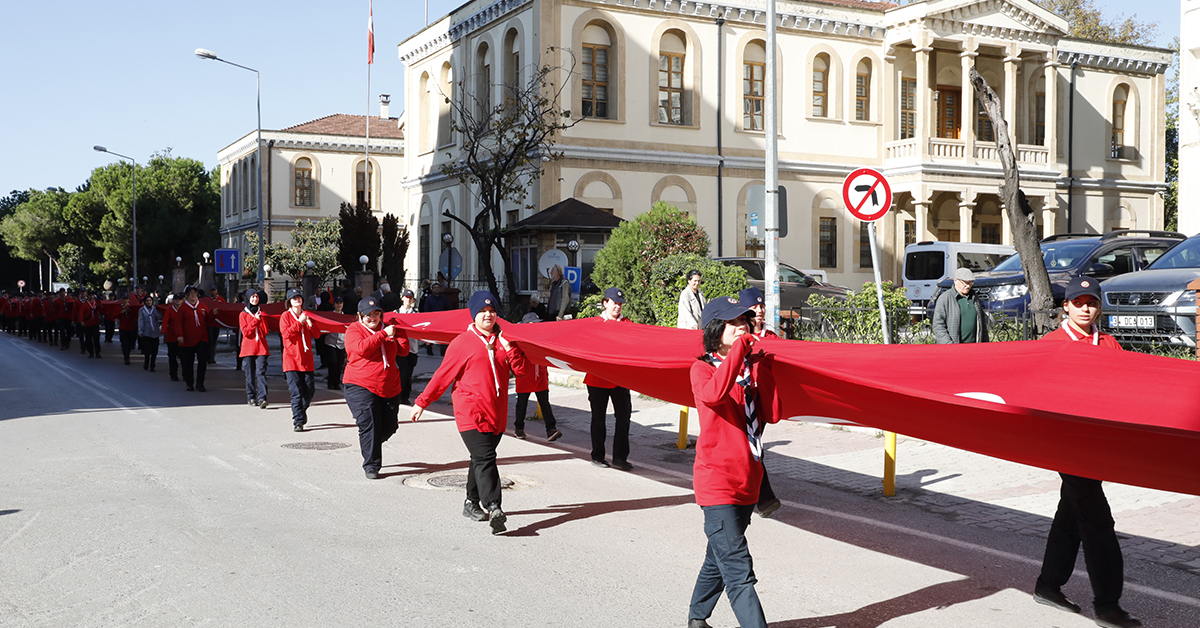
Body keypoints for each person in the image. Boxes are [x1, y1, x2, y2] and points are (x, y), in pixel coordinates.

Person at [1032, 277, 1141, 628]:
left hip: (1098, 445)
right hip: (1067, 446)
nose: (1085, 308)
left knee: (1071, 513)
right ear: (1066, 306)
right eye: (1078, 302)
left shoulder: (1108, 343)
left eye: (1091, 302)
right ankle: (1108, 605)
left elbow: (1125, 388)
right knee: (1097, 522)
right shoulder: (1052, 344)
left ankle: (1048, 586)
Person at [687, 296, 779, 628]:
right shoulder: (701, 369)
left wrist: (763, 366)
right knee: (739, 571)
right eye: (733, 322)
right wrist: (741, 351)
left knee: (719, 558)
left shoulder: (746, 368)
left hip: (748, 482)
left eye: (744, 319)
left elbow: (773, 413)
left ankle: (697, 618)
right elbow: (713, 395)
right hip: (717, 484)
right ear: (714, 329)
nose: (742, 325)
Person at [413, 290, 531, 535]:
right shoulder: (462, 343)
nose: (488, 315)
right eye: (483, 312)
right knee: (486, 458)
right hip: (470, 412)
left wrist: (510, 349)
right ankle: (494, 507)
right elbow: (442, 376)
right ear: (474, 315)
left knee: (480, 458)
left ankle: (470, 502)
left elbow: (522, 372)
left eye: (492, 311)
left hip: (496, 412)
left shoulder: (503, 341)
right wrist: (422, 402)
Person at [343, 295, 408, 479]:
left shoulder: (388, 329)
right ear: (359, 316)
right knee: (369, 423)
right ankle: (371, 465)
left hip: (389, 386)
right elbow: (361, 348)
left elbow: (403, 351)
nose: (372, 318)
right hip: (360, 384)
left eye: (376, 314)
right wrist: (383, 334)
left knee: (389, 426)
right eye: (368, 315)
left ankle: (369, 442)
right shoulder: (354, 330)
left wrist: (400, 333)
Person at [736, 287, 781, 518]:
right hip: (738, 399)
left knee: (753, 447)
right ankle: (760, 498)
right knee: (747, 448)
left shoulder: (772, 337)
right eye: (755, 307)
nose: (760, 311)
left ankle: (762, 499)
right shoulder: (737, 335)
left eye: (762, 306)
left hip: (760, 402)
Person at [585, 287, 634, 471]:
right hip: (597, 379)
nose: (618, 307)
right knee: (598, 418)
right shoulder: (594, 323)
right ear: (605, 303)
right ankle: (597, 455)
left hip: (620, 379)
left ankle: (620, 458)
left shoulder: (627, 323)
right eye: (615, 303)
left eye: (620, 304)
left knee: (624, 417)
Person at [280, 287, 320, 432]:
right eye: (294, 298)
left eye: (299, 297)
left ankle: (302, 410)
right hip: (291, 360)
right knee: (296, 391)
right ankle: (298, 421)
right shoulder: (285, 316)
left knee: (309, 390)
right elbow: (286, 335)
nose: (297, 299)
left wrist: (310, 324)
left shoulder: (307, 315)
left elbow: (317, 335)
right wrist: (299, 322)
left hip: (306, 359)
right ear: (289, 302)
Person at [933, 268, 989, 345]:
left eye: (970, 283)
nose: (968, 286)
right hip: (953, 349)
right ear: (955, 281)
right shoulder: (945, 298)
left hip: (974, 348)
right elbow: (938, 325)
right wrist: (948, 344)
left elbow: (982, 324)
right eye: (965, 283)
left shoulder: (974, 297)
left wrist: (985, 344)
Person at [513, 359, 562, 442]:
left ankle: (551, 429)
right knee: (522, 404)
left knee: (545, 404)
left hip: (540, 373)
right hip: (525, 373)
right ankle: (519, 428)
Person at [175, 285, 212, 392]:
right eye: (190, 293)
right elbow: (178, 323)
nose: (193, 295)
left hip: (202, 338)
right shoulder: (183, 308)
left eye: (195, 293)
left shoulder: (203, 306)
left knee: (202, 361)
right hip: (187, 339)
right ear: (186, 295)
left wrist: (214, 315)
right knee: (188, 362)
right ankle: (189, 383)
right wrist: (180, 335)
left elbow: (208, 319)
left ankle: (200, 383)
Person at [239, 289, 270, 408]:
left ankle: (263, 398)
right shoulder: (243, 314)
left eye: (256, 297)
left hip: (261, 347)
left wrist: (261, 320)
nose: (255, 299)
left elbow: (265, 331)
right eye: (252, 297)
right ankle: (251, 396)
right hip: (248, 348)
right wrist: (254, 321)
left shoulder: (262, 312)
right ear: (247, 298)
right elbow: (246, 332)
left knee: (261, 372)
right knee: (250, 374)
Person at [395, 290, 420, 404]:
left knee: (409, 373)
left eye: (410, 298)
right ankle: (399, 395)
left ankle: (405, 396)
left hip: (412, 348)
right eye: (406, 297)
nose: (408, 300)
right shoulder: (396, 313)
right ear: (402, 298)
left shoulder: (416, 314)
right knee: (403, 372)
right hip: (400, 348)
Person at [324, 297, 347, 390]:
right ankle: (330, 382)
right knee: (332, 363)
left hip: (341, 343)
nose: (339, 305)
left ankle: (337, 382)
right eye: (337, 303)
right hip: (331, 342)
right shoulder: (331, 315)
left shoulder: (345, 317)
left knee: (339, 364)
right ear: (334, 304)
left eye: (341, 303)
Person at [422, 282, 450, 356]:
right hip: (432, 320)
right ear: (432, 289)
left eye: (438, 288)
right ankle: (429, 348)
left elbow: (447, 309)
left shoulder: (444, 298)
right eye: (435, 288)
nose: (436, 289)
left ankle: (443, 350)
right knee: (430, 335)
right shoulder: (429, 299)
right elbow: (426, 309)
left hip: (442, 320)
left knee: (443, 335)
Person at [137, 294, 161, 372]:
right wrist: (140, 331)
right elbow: (140, 320)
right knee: (147, 350)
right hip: (147, 332)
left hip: (155, 332)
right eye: (147, 301)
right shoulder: (142, 310)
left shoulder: (155, 309)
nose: (148, 302)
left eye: (150, 300)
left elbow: (160, 317)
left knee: (155, 350)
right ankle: (146, 363)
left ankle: (152, 365)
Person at [162, 293, 182, 381]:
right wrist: (163, 331)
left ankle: (185, 374)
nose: (178, 301)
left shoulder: (184, 310)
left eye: (180, 299)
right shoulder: (169, 310)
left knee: (184, 356)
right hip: (171, 337)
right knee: (172, 356)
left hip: (182, 337)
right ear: (173, 300)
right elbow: (165, 322)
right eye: (176, 299)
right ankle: (173, 374)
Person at [117, 291, 140, 365]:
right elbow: (114, 315)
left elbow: (137, 315)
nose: (125, 300)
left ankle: (128, 352)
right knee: (124, 343)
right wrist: (121, 312)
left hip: (131, 327)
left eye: (126, 299)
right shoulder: (119, 307)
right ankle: (126, 357)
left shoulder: (131, 307)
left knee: (131, 343)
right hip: (123, 327)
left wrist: (131, 312)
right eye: (124, 299)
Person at [78, 290, 102, 358]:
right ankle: (91, 352)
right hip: (87, 323)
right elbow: (81, 313)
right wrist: (81, 321)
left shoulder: (97, 303)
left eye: (92, 295)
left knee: (96, 338)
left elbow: (101, 310)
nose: (91, 297)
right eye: (90, 295)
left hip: (95, 323)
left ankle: (97, 352)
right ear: (87, 296)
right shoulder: (85, 304)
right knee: (88, 339)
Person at [206, 287, 225, 363]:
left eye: (214, 290)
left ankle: (212, 356)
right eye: (211, 290)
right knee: (209, 340)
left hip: (217, 323)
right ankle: (208, 356)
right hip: (209, 323)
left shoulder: (220, 299)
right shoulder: (207, 300)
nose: (213, 292)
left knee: (214, 340)